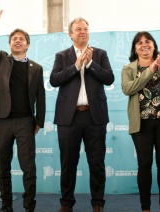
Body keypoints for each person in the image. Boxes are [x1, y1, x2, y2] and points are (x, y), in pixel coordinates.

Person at [0, 2, 45, 212]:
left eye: (22, 39)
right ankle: (6, 205)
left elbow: (41, 96)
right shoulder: (1, 60)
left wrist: (39, 121)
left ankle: (29, 206)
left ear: (27, 45)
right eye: (14, 39)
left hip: (26, 121)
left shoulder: (37, 68)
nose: (18, 41)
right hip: (3, 121)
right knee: (3, 165)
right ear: (9, 44)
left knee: (28, 167)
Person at [50, 17, 114, 212]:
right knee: (68, 163)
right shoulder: (62, 56)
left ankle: (97, 203)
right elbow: (54, 80)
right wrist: (77, 65)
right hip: (69, 118)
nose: (83, 32)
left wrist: (90, 64)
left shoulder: (100, 54)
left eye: (86, 28)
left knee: (97, 163)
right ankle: (66, 203)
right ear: (70, 34)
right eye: (78, 29)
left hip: (94, 116)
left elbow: (109, 78)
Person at [121, 31, 160, 212]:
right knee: (144, 166)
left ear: (154, 45)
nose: (144, 45)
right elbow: (128, 89)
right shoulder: (128, 68)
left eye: (148, 41)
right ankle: (145, 208)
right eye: (139, 43)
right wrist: (150, 70)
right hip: (141, 124)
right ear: (135, 48)